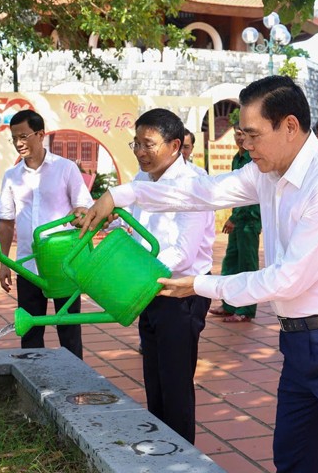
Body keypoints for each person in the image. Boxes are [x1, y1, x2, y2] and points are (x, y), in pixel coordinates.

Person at [77, 76, 318, 473]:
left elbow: (286, 279)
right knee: (294, 459)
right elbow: (205, 192)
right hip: (298, 339)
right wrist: (121, 195)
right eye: (241, 135)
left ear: (289, 127)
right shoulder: (268, 172)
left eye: (252, 135)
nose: (245, 145)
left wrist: (200, 284)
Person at [95, 108, 215, 445]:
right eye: (137, 144)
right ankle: (161, 450)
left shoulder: (193, 185)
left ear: (175, 145)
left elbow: (183, 253)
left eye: (149, 145)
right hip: (149, 288)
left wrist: (137, 276)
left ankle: (182, 459)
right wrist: (106, 221)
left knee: (175, 384)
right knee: (155, 380)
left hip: (180, 294)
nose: (141, 153)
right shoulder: (141, 180)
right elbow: (131, 222)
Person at [0, 109, 93, 358]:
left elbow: (84, 206)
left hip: (63, 264)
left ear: (40, 134)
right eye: (14, 138)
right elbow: (6, 222)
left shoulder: (66, 168)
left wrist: (81, 213)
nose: (19, 143)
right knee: (30, 330)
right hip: (28, 265)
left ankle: (75, 384)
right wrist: (4, 263)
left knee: (69, 329)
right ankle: (33, 386)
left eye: (24, 136)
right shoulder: (11, 176)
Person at [209, 126, 261, 323]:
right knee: (231, 262)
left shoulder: (253, 159)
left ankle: (246, 309)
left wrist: (235, 217)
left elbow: (250, 194)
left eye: (244, 135)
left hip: (250, 219)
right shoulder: (236, 158)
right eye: (237, 134)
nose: (240, 138)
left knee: (247, 265)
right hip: (237, 219)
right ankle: (229, 304)